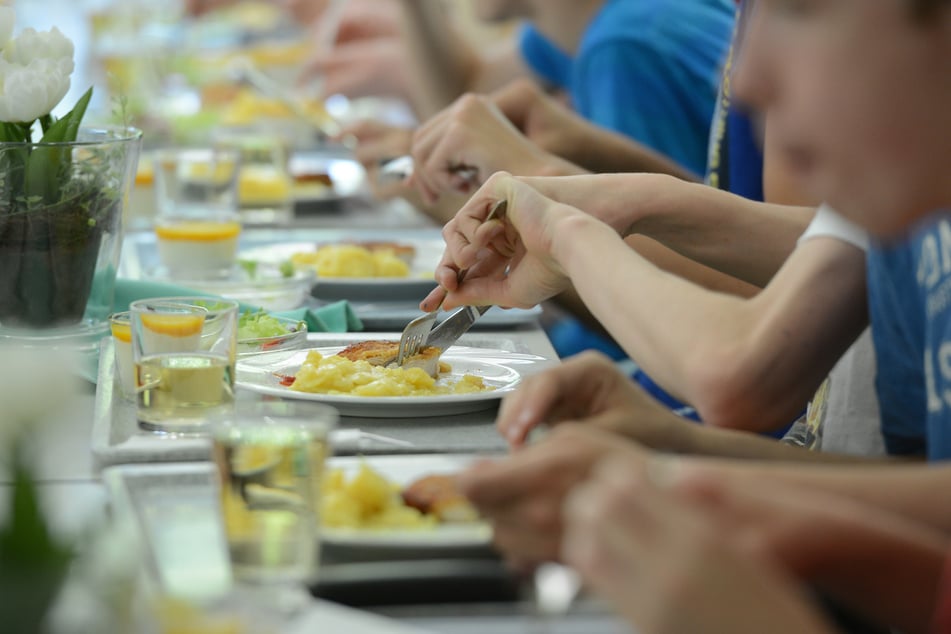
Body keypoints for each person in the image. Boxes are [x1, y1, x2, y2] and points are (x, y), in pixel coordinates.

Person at [454, 0, 951, 630]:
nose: (745, 82)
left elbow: (739, 374)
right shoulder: (898, 190)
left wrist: (570, 233)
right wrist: (686, 454)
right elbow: (923, 491)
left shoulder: (632, 38)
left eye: (801, 11)